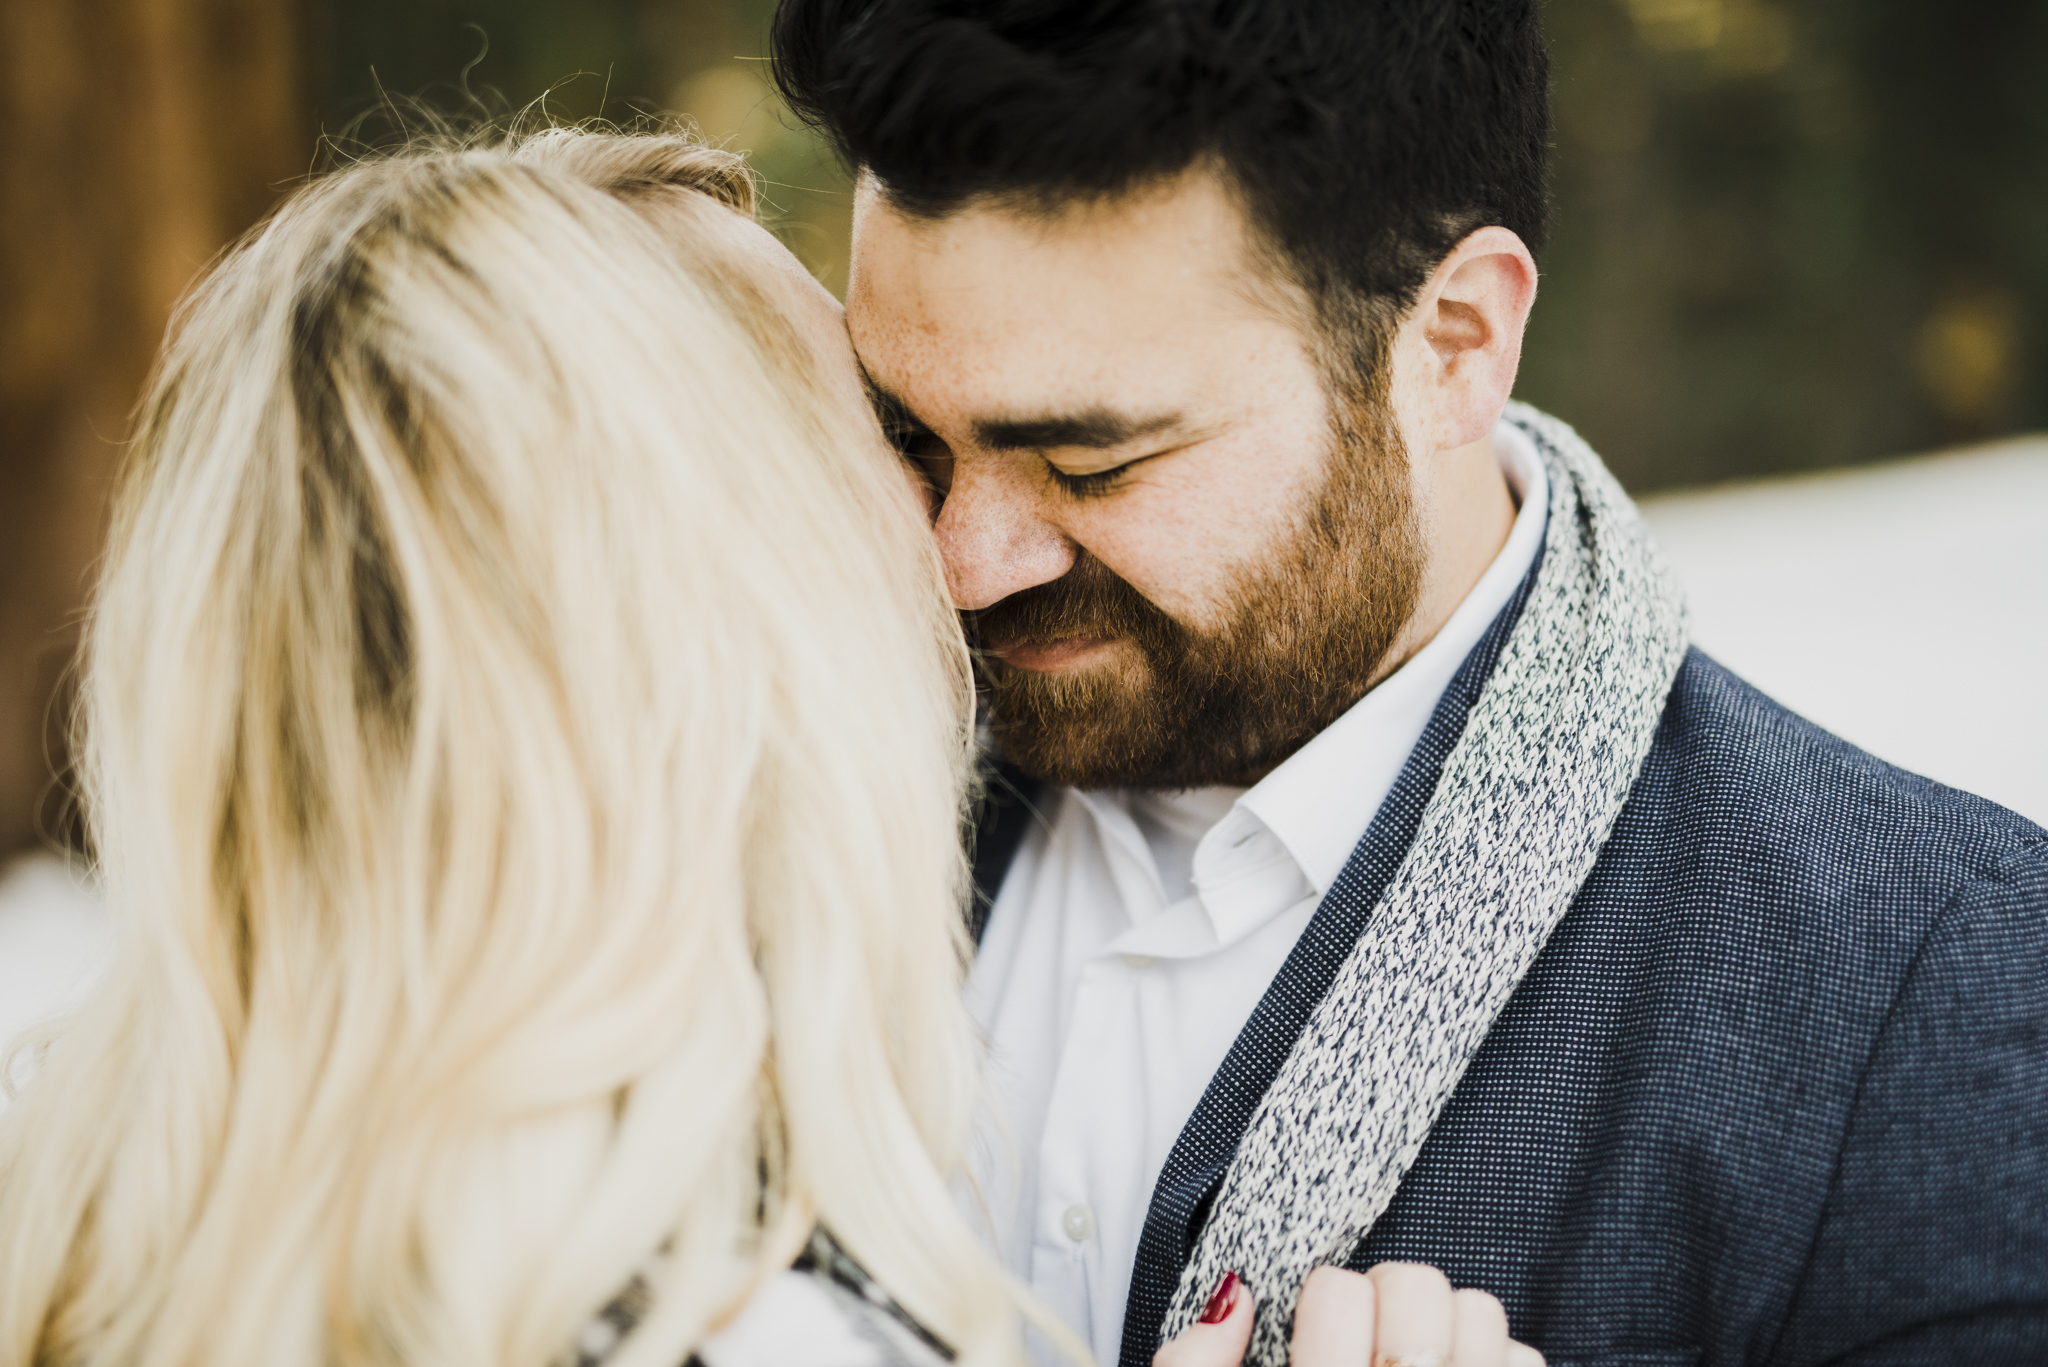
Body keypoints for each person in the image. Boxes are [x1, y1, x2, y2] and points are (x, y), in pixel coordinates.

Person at [767, 2, 2048, 1365]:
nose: (963, 565)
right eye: (907, 430)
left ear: (1452, 342)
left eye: (1093, 465)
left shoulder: (1937, 985)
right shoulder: (760, 790)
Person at [0, 126, 1029, 1367]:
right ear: (723, 596)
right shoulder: (737, 1330)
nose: (967, 534)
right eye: (885, 430)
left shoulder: (96, 1247)